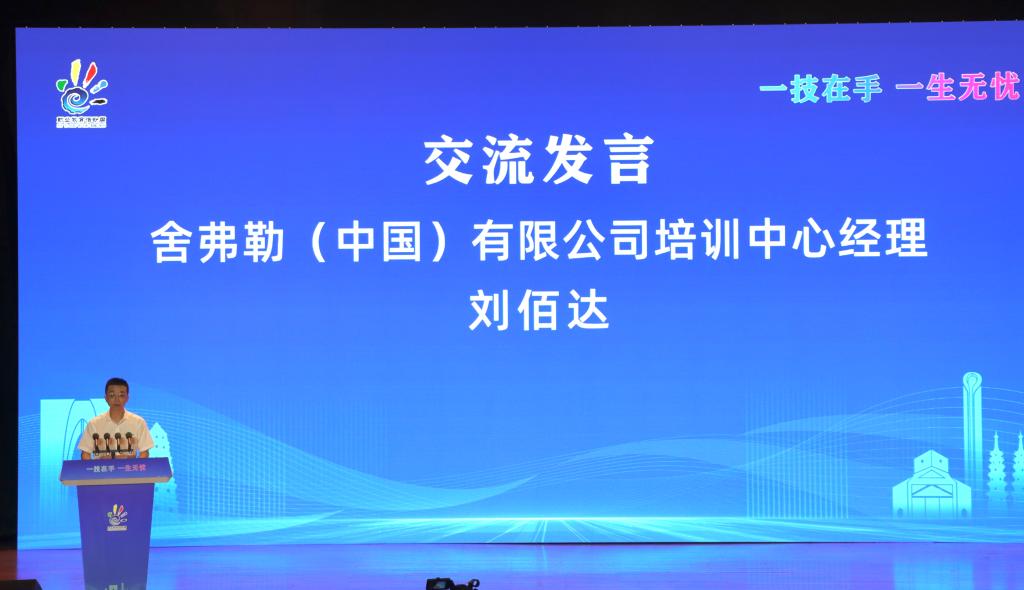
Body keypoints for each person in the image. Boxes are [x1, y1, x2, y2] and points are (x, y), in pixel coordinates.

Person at [77, 377, 155, 460]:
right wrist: (92, 468)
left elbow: (145, 452)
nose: (116, 400)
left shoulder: (139, 422)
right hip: (102, 468)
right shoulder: (94, 424)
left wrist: (136, 467)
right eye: (112, 395)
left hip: (129, 468)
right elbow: (85, 453)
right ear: (106, 398)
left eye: (121, 395)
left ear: (127, 398)